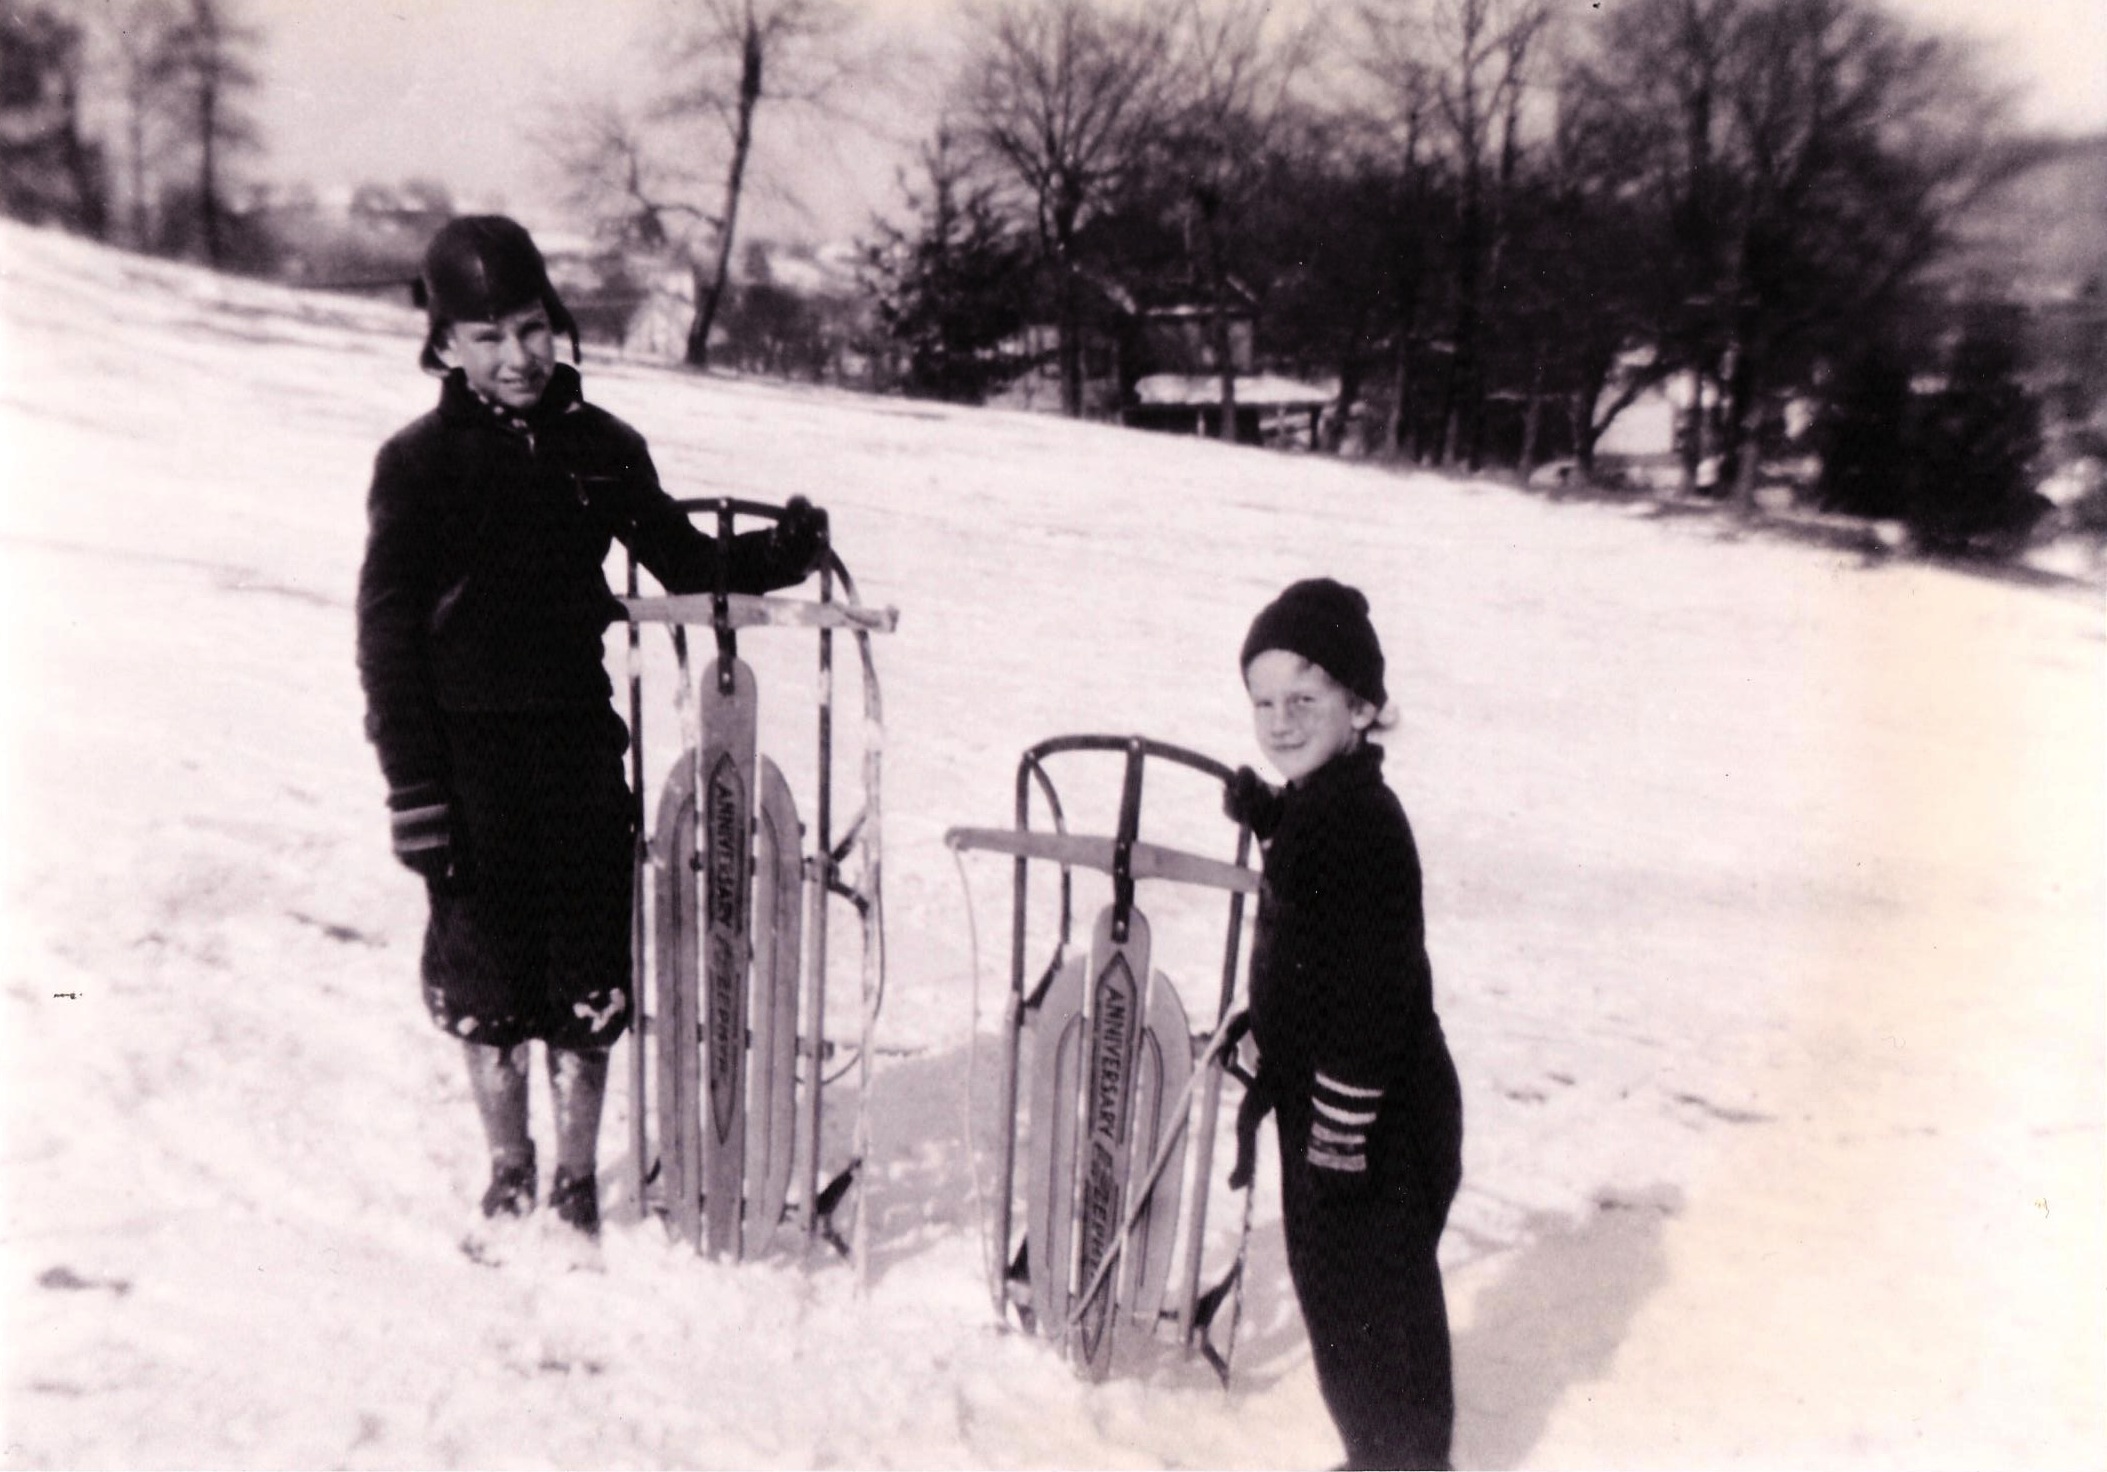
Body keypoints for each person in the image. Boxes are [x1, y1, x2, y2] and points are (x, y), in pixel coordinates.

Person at [355, 215, 828, 1239]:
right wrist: (414, 789)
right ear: (444, 343)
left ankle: (575, 1175)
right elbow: (386, 639)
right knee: (485, 970)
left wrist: (779, 555)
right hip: (467, 761)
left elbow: (685, 562)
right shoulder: (419, 465)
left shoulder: (602, 448)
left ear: (556, 321)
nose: (516, 356)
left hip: (575, 749)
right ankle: (509, 1164)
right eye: (486, 337)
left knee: (585, 967)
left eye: (530, 328)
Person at [1223, 577, 1465, 1470]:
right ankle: (1380, 1455)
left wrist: (1339, 1125)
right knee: (1344, 1306)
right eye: (1263, 703)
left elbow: (1370, 987)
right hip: (1343, 1109)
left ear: (1360, 706)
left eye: (1304, 700)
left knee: (1375, 1313)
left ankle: (1402, 1462)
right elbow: (1314, 918)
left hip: (1370, 1119)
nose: (1280, 721)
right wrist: (1271, 816)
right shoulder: (1327, 805)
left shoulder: (1356, 824)